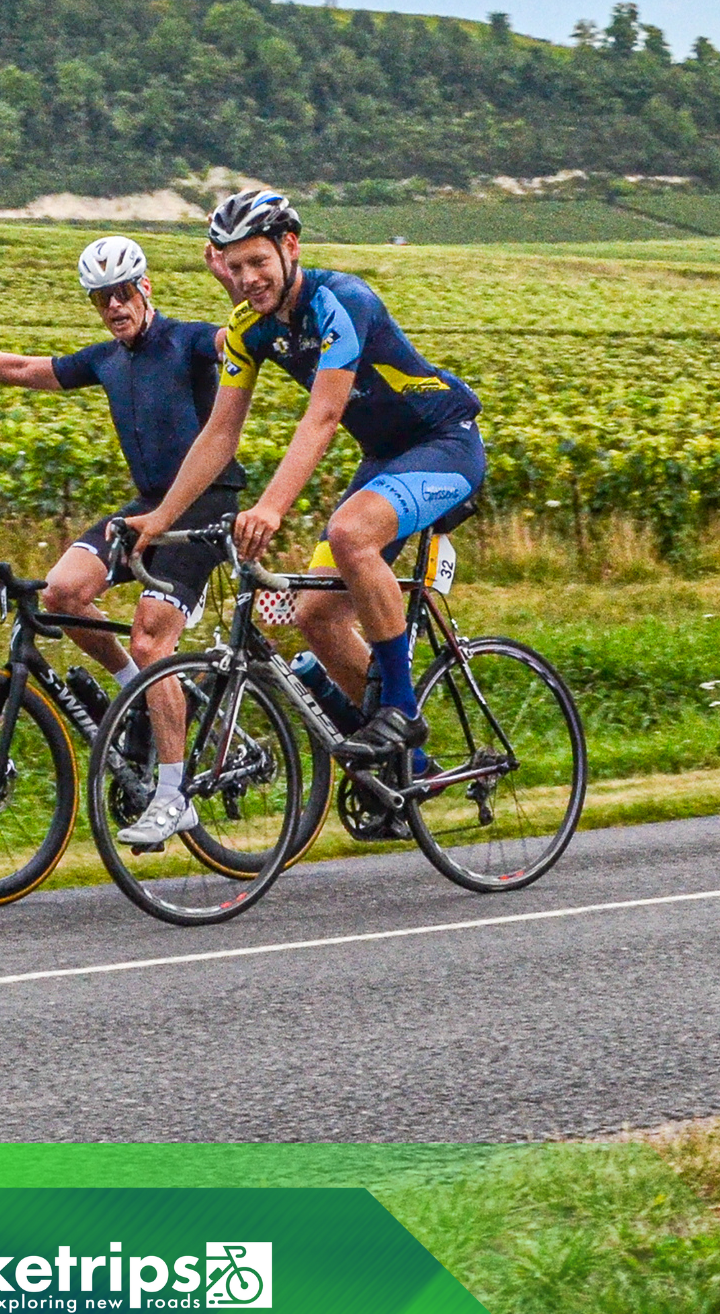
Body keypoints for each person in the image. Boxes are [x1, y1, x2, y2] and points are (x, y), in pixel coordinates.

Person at [127, 189, 485, 840]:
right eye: (234, 268)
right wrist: (159, 518)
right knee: (315, 613)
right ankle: (409, 769)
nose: (247, 279)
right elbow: (218, 435)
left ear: (291, 247)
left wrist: (270, 506)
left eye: (258, 261)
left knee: (350, 534)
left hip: (447, 445)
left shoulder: (341, 301)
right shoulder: (248, 330)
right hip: (385, 458)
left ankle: (400, 712)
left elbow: (322, 418)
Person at [0, 235, 245, 843]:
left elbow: (241, 338)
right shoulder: (108, 360)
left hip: (205, 504)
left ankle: (173, 793)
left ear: (146, 289)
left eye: (122, 293)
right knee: (62, 593)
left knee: (150, 638)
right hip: (146, 505)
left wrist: (233, 284)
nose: (114, 306)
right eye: (101, 299)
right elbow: (24, 370)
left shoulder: (188, 340)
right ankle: (136, 694)